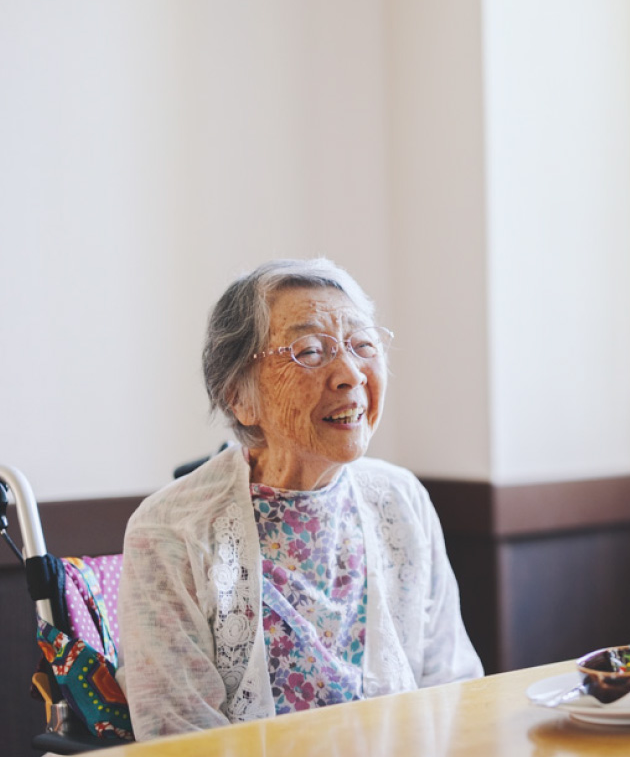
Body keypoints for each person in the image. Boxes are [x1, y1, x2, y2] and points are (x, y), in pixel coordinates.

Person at [118, 258, 482, 738]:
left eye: (363, 345)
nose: (350, 374)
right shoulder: (169, 530)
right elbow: (179, 733)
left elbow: (452, 687)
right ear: (239, 397)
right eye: (311, 351)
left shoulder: (401, 501)